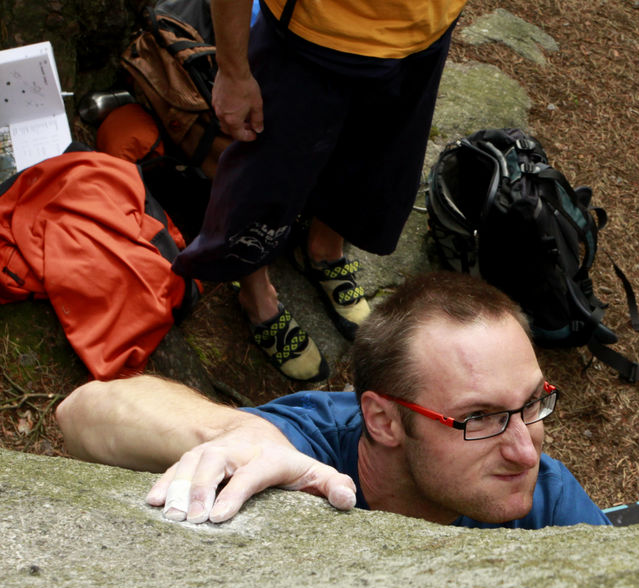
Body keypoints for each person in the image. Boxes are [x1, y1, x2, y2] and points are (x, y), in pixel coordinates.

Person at [56, 272, 612, 529]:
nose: (524, 451)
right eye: (479, 418)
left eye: (532, 403)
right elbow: (82, 412)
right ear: (382, 419)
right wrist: (233, 434)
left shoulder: (547, 496)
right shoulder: (306, 444)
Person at [171, 0, 467, 382]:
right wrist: (233, 70)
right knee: (266, 175)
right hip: (314, 34)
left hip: (425, 29)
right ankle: (256, 294)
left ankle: (324, 251)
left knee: (370, 157)